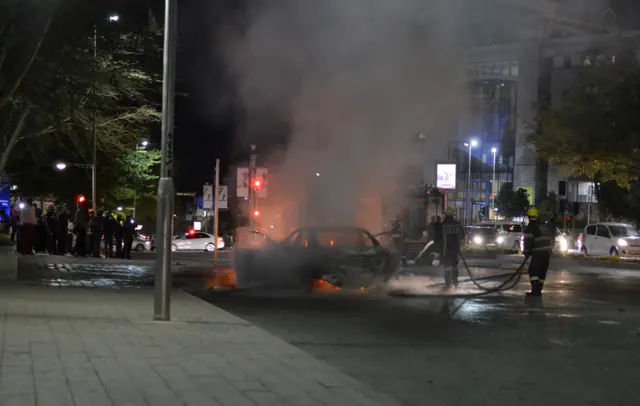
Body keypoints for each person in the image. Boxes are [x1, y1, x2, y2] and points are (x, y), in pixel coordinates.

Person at [522, 207, 554, 297]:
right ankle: (538, 290)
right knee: (542, 272)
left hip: (538, 253)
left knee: (534, 272)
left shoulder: (530, 228)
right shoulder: (544, 226)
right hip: (547, 253)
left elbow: (527, 243)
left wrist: (526, 252)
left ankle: (535, 292)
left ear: (529, 217)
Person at [435, 207, 465, 287]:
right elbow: (462, 236)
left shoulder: (442, 225)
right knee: (454, 266)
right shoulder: (458, 224)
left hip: (446, 250)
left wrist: (437, 250)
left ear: (445, 215)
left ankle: (448, 284)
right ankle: (455, 282)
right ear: (453, 215)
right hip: (455, 250)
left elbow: (437, 238)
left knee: (447, 267)